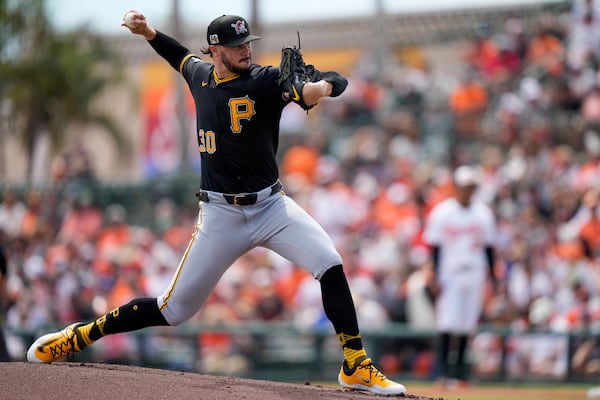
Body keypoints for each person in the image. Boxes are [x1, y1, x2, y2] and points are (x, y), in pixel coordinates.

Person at [26, 10, 407, 396]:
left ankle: (355, 364)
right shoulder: (200, 76)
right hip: (221, 215)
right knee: (173, 310)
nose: (245, 50)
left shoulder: (264, 79)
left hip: (271, 207)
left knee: (330, 263)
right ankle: (78, 336)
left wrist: (324, 86)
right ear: (215, 49)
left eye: (247, 43)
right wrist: (147, 32)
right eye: (236, 45)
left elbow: (302, 92)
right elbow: (175, 53)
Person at [422, 165, 497, 387]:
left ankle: (461, 373)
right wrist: (434, 275)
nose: (468, 190)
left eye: (471, 186)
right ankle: (444, 373)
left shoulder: (483, 213)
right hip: (450, 273)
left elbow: (489, 248)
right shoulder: (443, 212)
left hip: (474, 271)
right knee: (447, 322)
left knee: (467, 324)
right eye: (465, 186)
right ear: (456, 186)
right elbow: (434, 248)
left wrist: (493, 277)